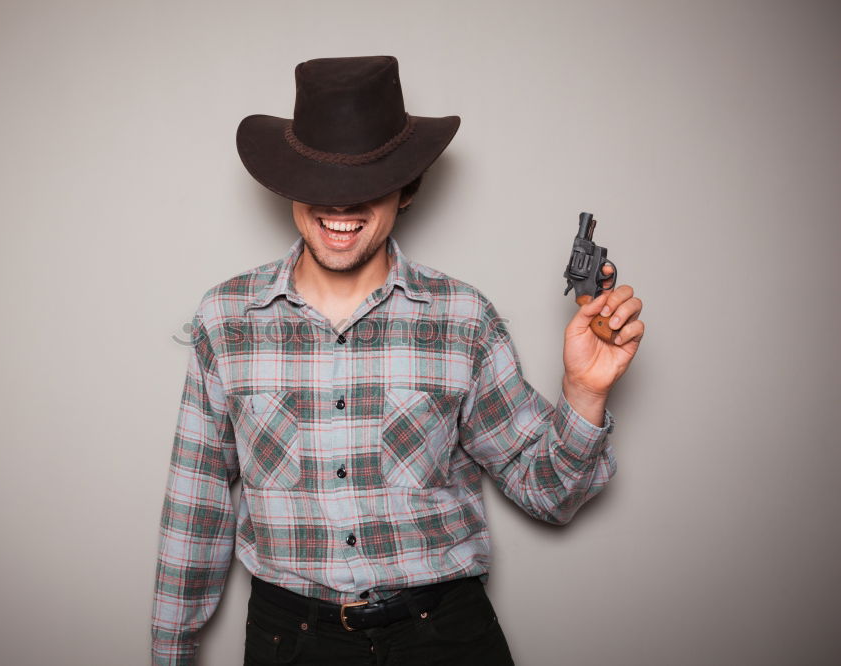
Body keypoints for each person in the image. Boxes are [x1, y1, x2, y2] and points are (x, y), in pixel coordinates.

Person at [151, 55, 644, 666]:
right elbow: (195, 503)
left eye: (368, 179)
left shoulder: (463, 319)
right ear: (289, 183)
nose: (342, 205)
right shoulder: (227, 320)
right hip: (292, 641)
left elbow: (551, 496)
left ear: (406, 187)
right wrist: (170, 652)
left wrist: (584, 393)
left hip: (443, 637)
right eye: (321, 180)